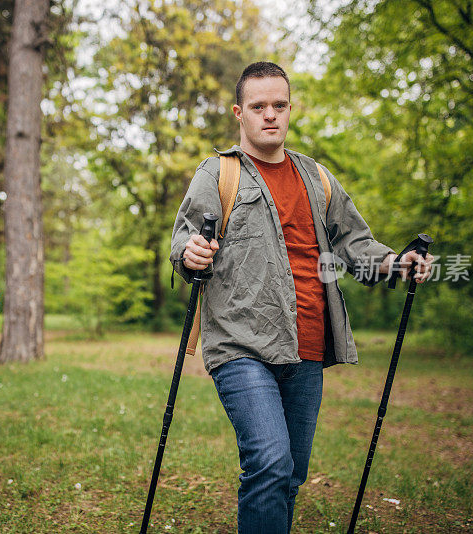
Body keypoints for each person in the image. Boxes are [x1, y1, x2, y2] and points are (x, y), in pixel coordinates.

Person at [169, 62, 434, 533]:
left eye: (279, 105)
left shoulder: (317, 178)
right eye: (258, 106)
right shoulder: (219, 174)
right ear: (239, 113)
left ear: (290, 109)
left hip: (308, 345)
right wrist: (190, 253)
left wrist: (397, 262)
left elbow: (355, 244)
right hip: (240, 346)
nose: (269, 115)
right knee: (270, 463)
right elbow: (185, 241)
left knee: (290, 474)